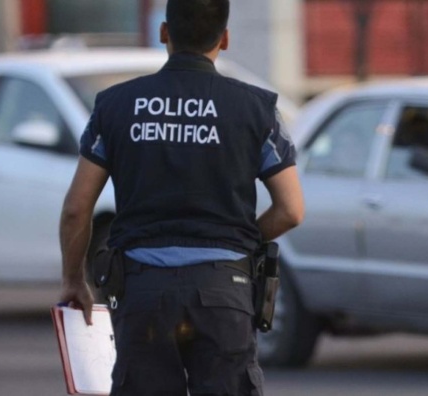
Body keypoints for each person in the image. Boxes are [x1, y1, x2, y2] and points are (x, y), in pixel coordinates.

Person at [58, 0, 305, 395]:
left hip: (142, 295)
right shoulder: (257, 109)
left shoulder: (116, 105)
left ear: (164, 33)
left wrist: (74, 280)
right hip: (226, 293)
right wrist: (237, 241)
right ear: (224, 39)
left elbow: (76, 208)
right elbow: (291, 210)